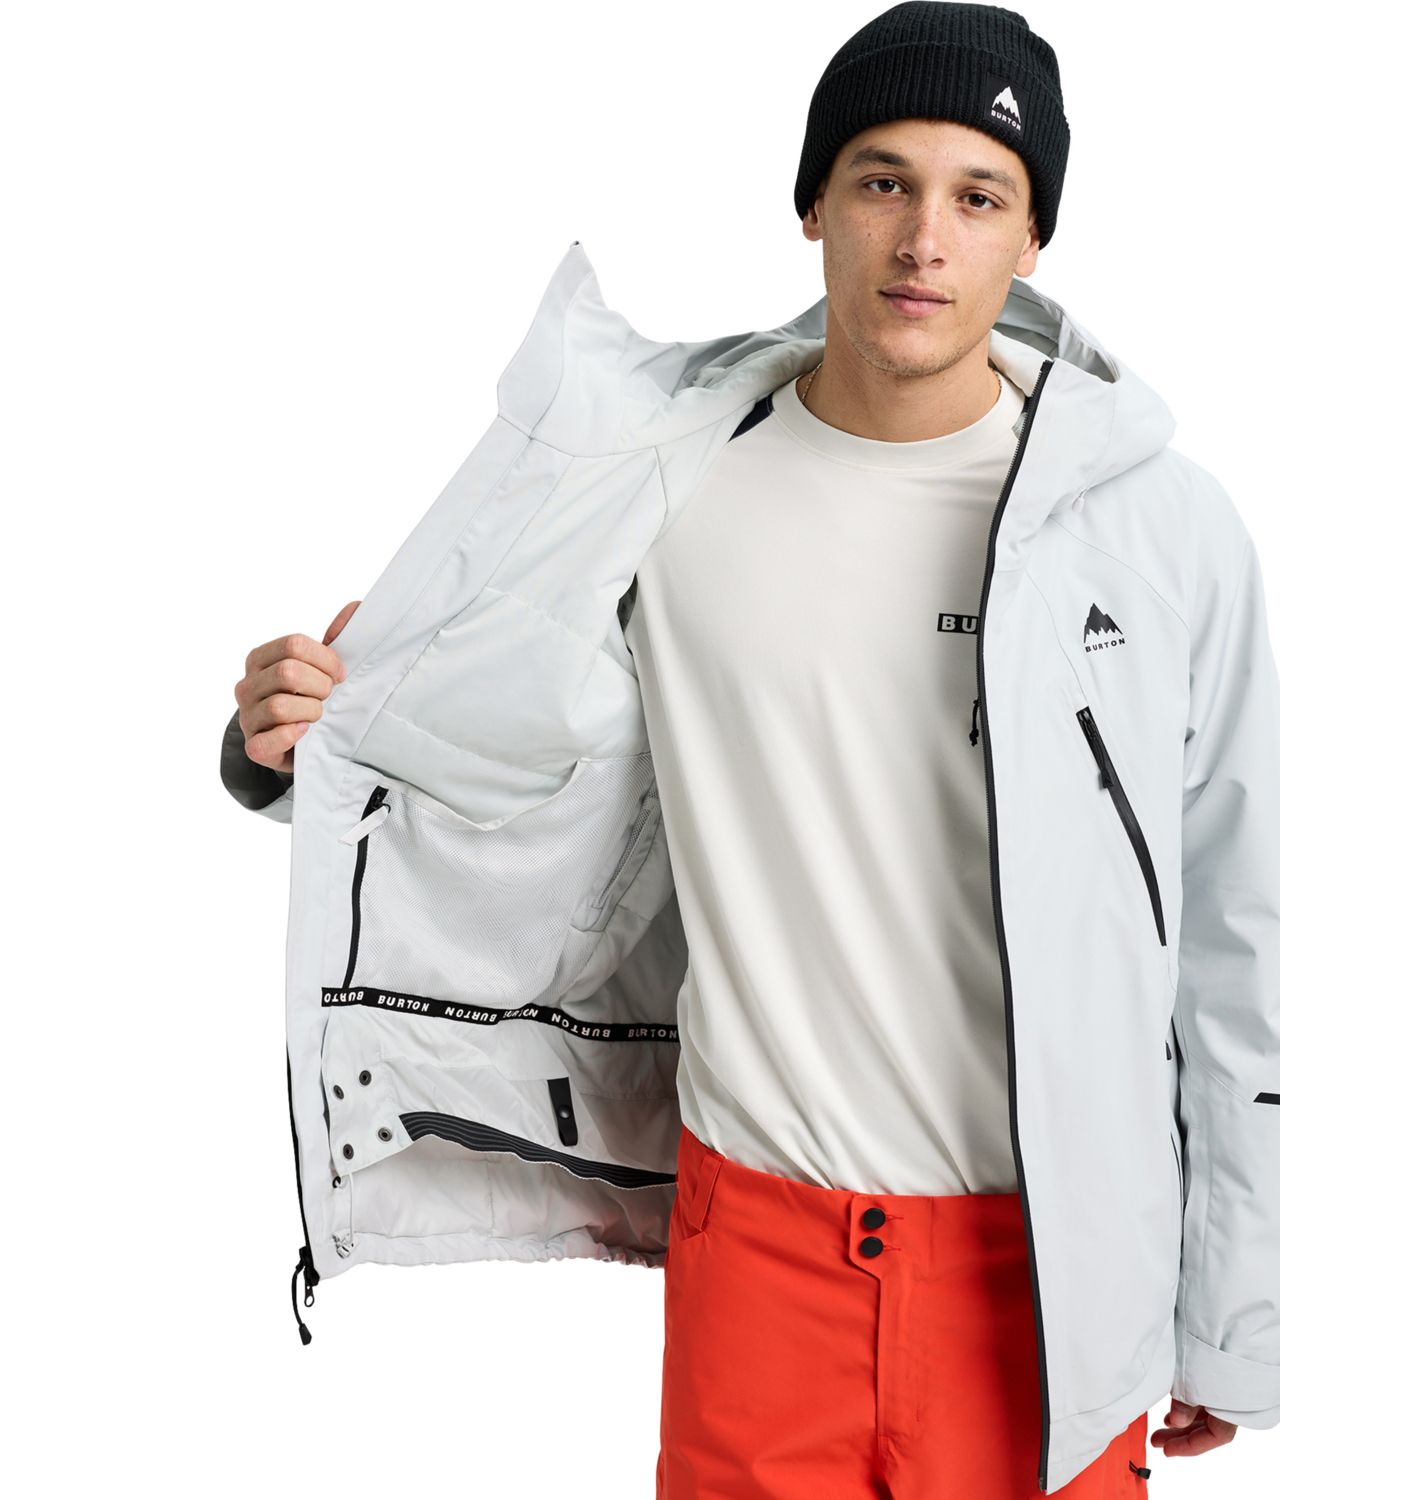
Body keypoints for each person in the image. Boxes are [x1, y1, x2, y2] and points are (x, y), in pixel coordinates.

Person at [222, 5, 1278, 1495]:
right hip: (758, 1254)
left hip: (1050, 1267)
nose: (924, 238)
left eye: (979, 196)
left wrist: (1230, 1315)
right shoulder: (663, 486)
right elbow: (486, 748)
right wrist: (293, 746)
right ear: (812, 205)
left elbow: (1231, 934)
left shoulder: (1158, 531)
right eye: (881, 180)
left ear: (1034, 239)